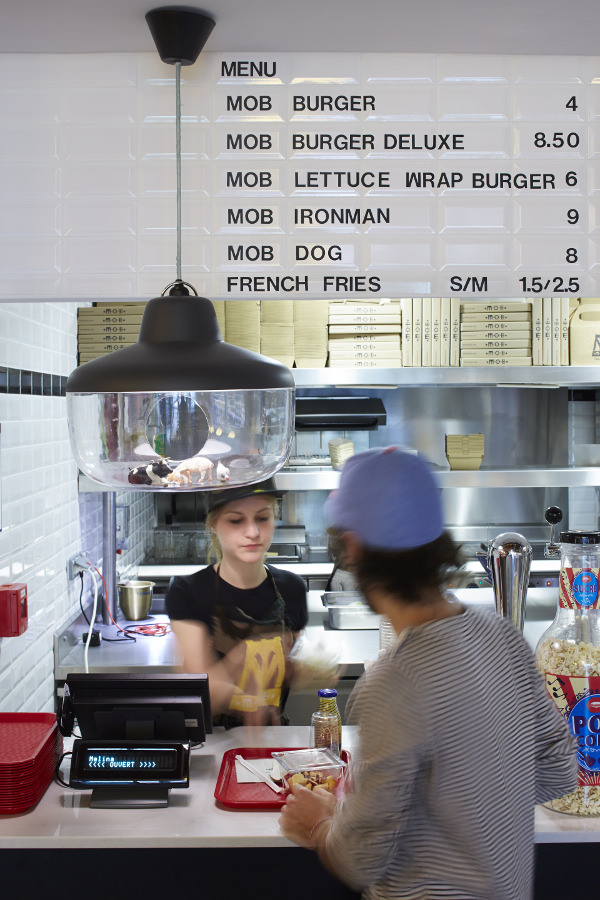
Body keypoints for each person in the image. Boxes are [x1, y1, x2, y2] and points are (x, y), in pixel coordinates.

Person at [279, 446, 577, 900]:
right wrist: (470, 800)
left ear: (353, 548)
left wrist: (319, 823)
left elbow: (360, 858)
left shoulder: (394, 683)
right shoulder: (501, 635)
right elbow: (559, 771)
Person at [166, 478, 308, 726]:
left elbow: (283, 675)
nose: (253, 532)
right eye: (236, 520)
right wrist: (242, 659)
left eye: (262, 518)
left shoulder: (292, 589)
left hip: (273, 742)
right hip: (213, 744)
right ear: (213, 524)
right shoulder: (187, 593)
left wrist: (305, 672)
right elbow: (198, 689)